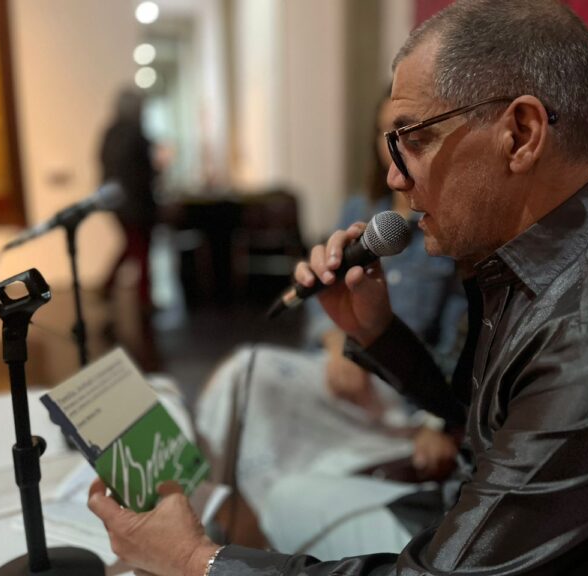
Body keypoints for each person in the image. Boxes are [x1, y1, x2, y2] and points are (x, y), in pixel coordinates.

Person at [88, 1, 588, 574]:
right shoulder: (549, 257)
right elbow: (496, 417)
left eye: (413, 138)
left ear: (521, 134)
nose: (394, 176)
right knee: (283, 492)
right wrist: (378, 333)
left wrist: (197, 561)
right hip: (481, 516)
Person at [194, 93, 466, 555]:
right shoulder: (361, 207)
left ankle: (244, 533)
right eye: (386, 133)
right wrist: (340, 338)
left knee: (248, 373)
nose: (394, 147)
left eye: (409, 132)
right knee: (244, 375)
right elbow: (324, 300)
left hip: (404, 388)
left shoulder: (446, 224)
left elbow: (462, 344)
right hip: (345, 364)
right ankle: (222, 517)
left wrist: (439, 422)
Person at [99, 88, 159, 313]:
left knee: (132, 246)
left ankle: (107, 285)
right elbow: (141, 174)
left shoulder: (110, 133)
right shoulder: (135, 134)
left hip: (116, 202)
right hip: (135, 203)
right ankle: (144, 298)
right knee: (141, 250)